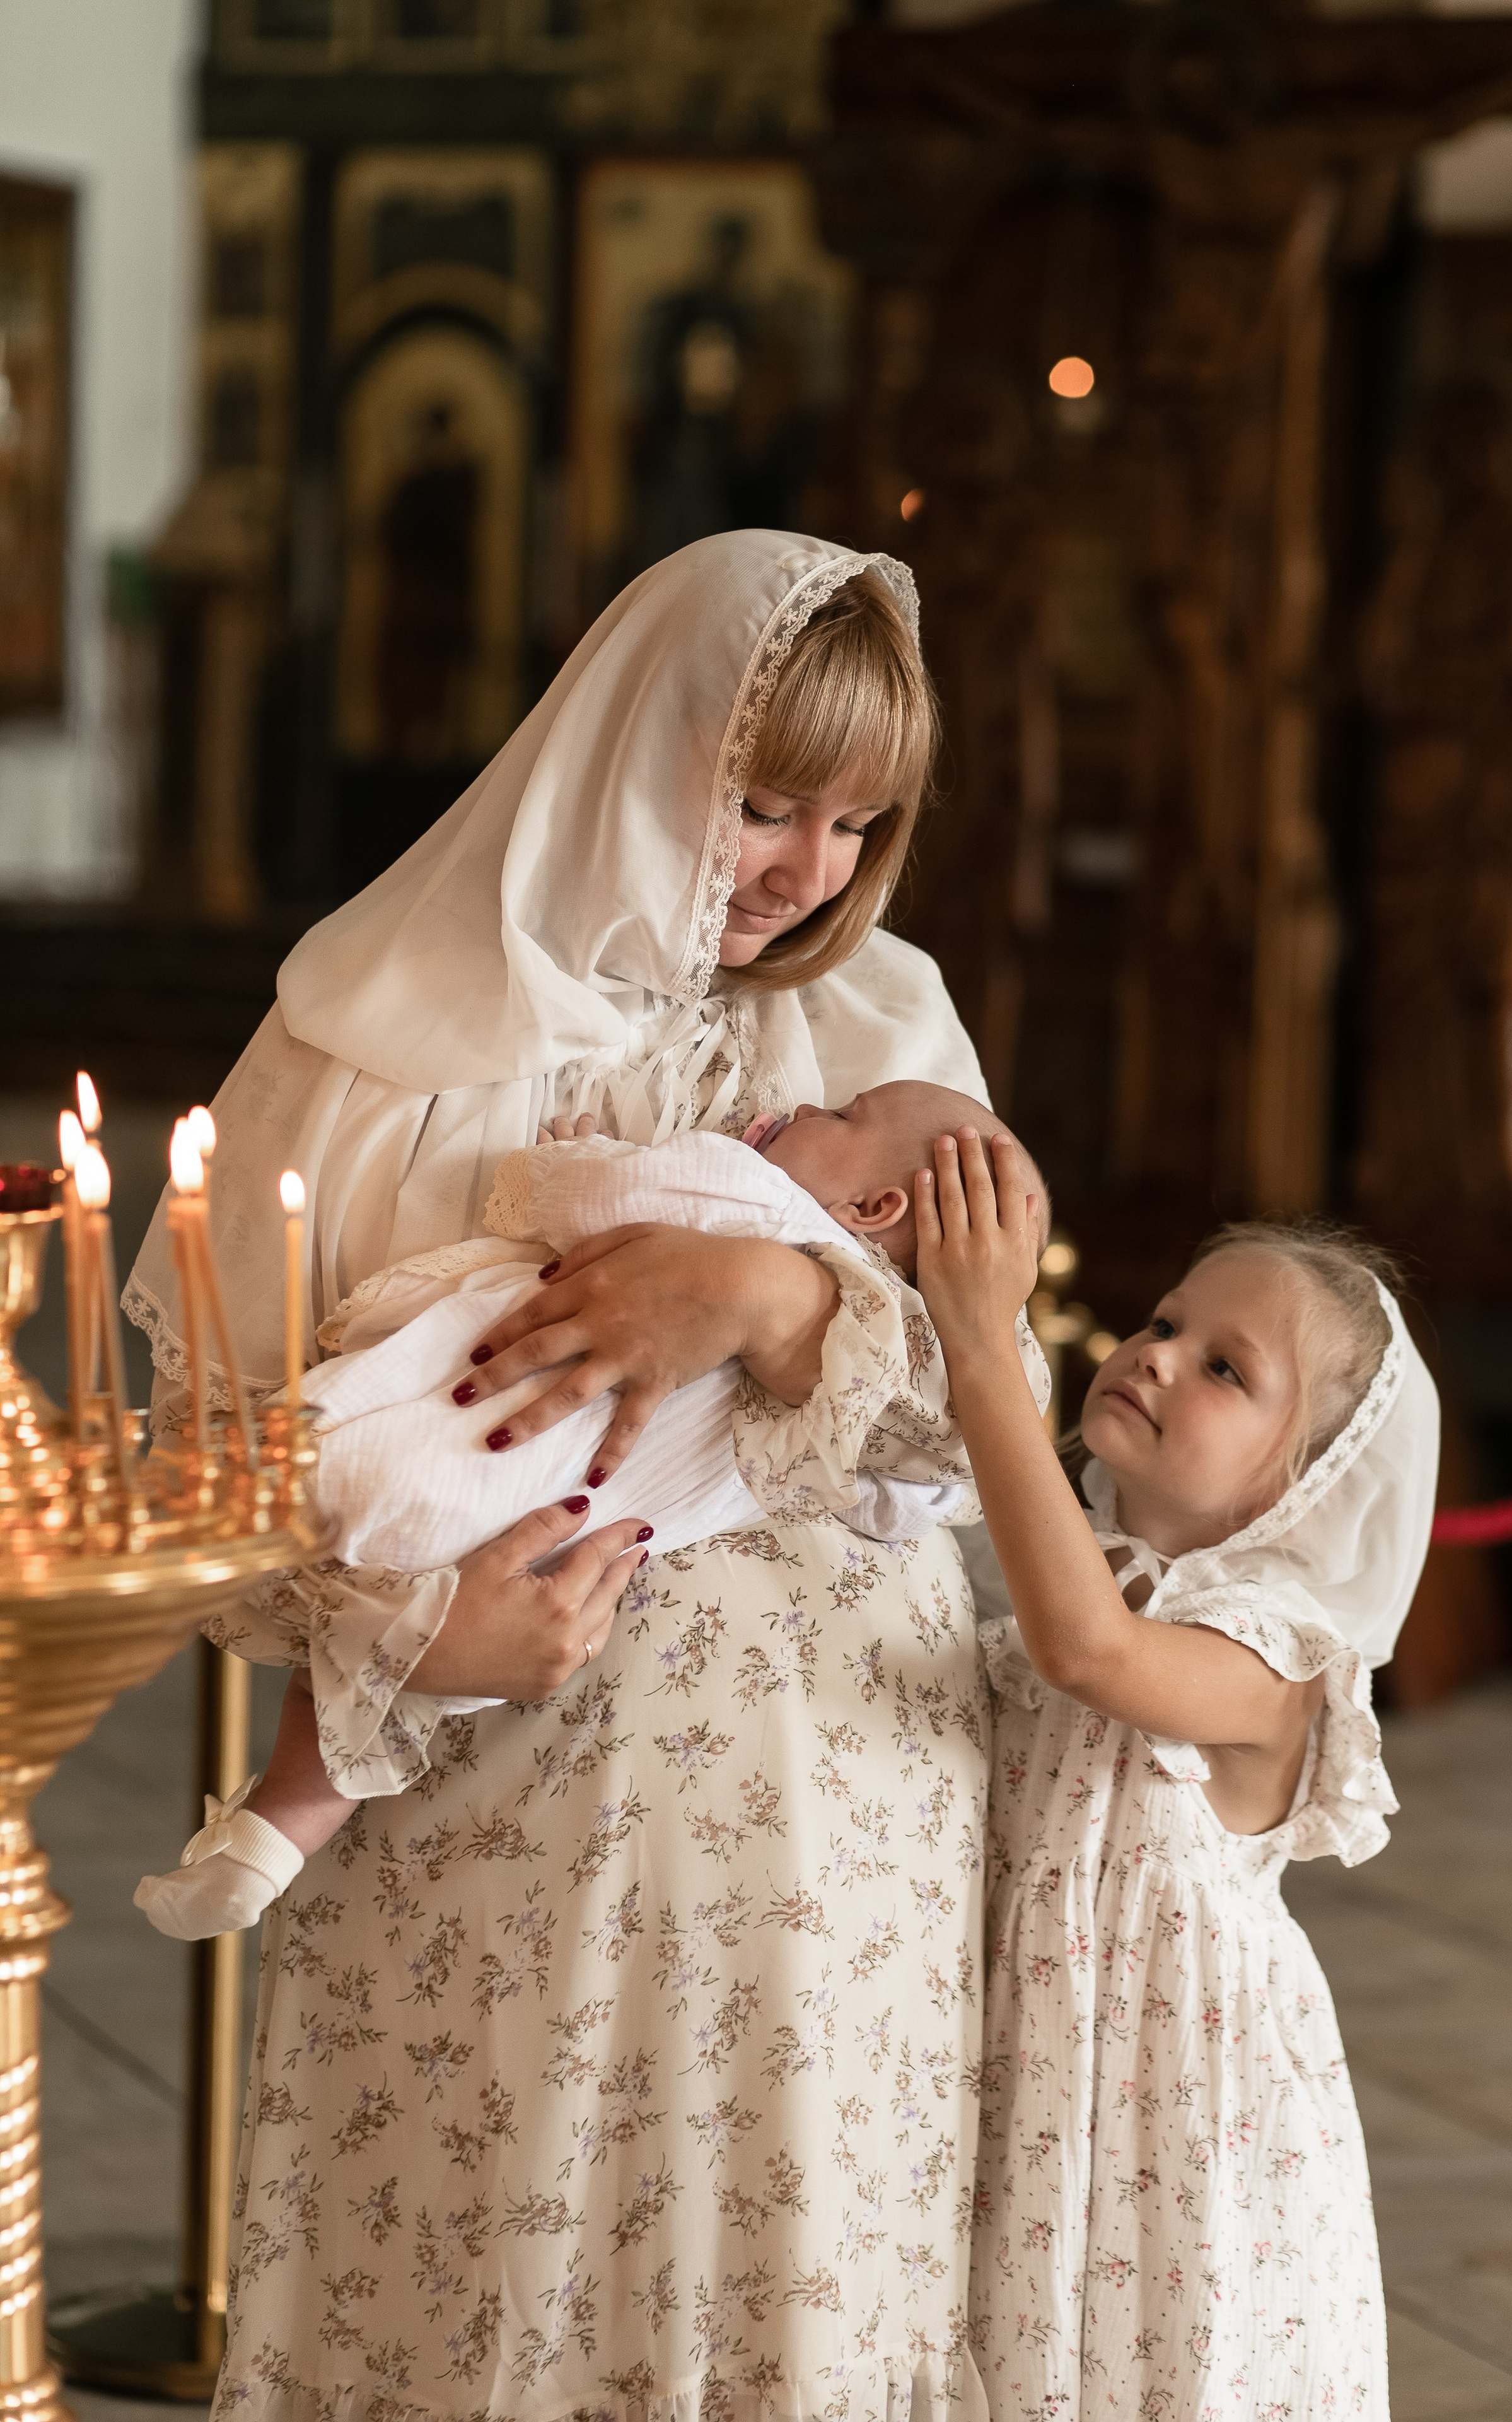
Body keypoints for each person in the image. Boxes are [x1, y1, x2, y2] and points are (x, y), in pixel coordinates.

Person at [124, 530, 1021, 2421]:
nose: (810, 875)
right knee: (490, 2292)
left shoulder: (884, 1030)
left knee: (800, 2294)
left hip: (834, 1831)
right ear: (641, 739)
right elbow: (228, 1476)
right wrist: (415, 1635)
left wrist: (779, 1296)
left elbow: (981, 1427)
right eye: (766, 802)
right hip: (495, 1818)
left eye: (863, 824)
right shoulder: (375, 1040)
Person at [135, 1082, 1047, 1941]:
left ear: (873, 1210)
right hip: (546, 1571)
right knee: (385, 1681)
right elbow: (912, 1499)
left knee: (311, 1471)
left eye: (843, 1114)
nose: (809, 1102)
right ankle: (274, 1836)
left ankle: (134, 1550)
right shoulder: (869, 1368)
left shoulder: (754, 1202)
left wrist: (578, 1157)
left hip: (456, 1451)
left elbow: (584, 1196)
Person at [911, 1128, 1438, 2419]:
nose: (1153, 1354)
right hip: (1022, 2058)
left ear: (1304, 1483)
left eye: (1222, 1368)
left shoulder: (1274, 1660)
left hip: (1172, 2109)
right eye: (1162, 1322)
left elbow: (1090, 1650)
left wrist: (982, 1344)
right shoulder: (1053, 1579)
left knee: (1149, 2360)